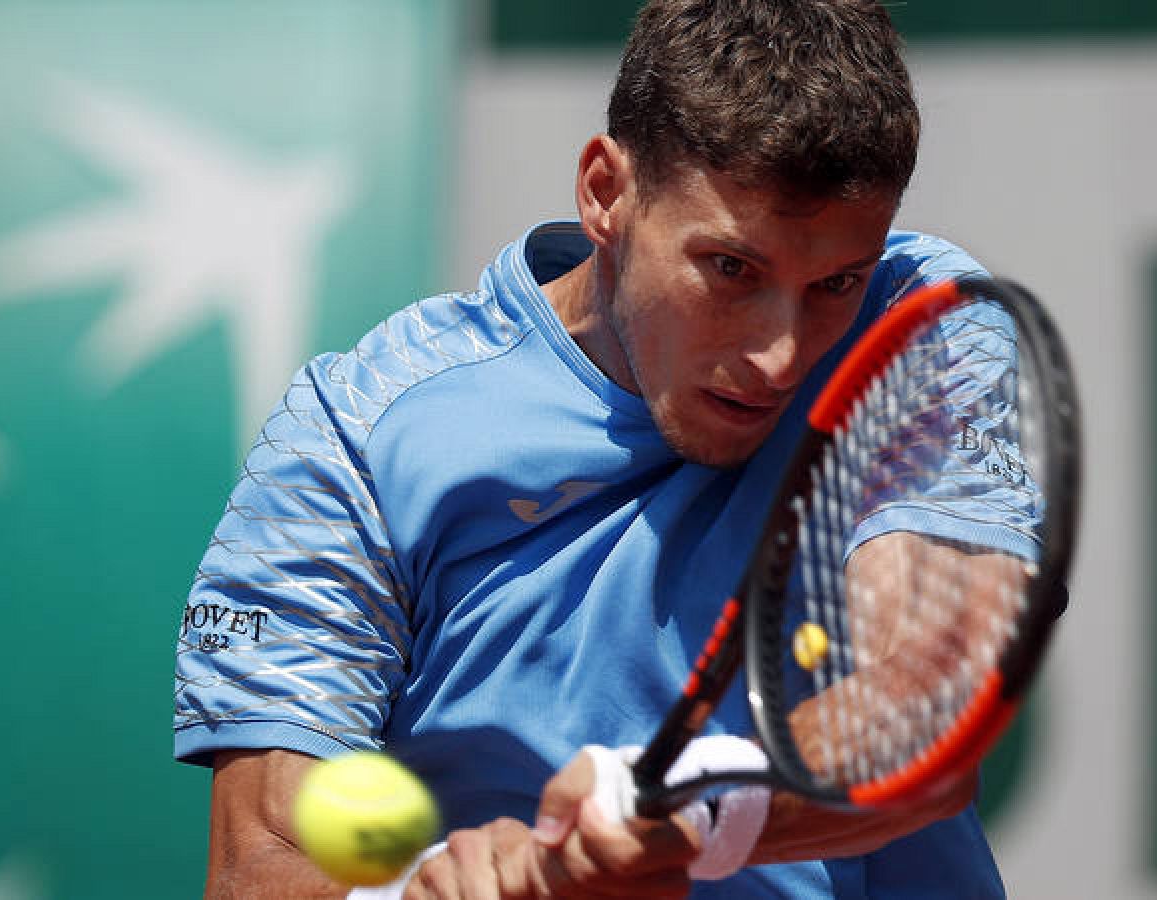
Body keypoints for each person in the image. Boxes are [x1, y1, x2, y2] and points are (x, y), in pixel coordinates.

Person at [174, 0, 1010, 896]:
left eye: (834, 282)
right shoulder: (357, 433)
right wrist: (416, 894)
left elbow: (929, 702)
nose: (780, 355)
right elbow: (262, 866)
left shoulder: (917, 327)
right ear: (606, 192)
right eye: (731, 269)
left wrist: (675, 803)